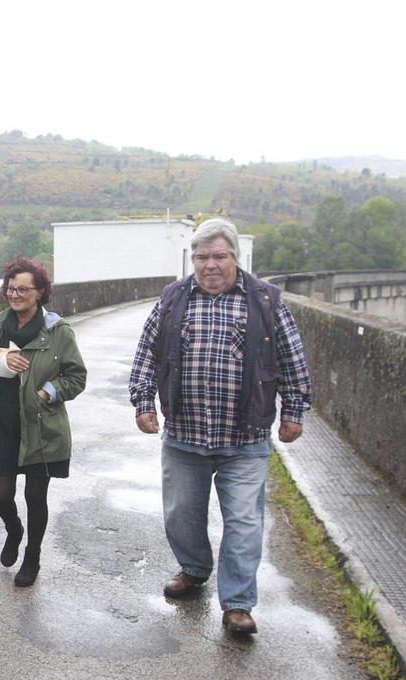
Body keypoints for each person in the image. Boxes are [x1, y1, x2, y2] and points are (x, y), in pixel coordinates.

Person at [129, 218, 312, 637]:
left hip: (244, 438)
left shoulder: (265, 301)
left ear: (235, 257)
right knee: (181, 515)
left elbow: (292, 360)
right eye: (202, 257)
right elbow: (146, 355)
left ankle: (237, 604)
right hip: (184, 437)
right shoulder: (174, 298)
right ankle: (193, 569)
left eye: (219, 256)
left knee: (245, 522)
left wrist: (294, 412)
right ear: (192, 259)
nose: (210, 265)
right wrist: (143, 402)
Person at [0, 257, 87, 587]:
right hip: (1, 421)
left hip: (42, 426)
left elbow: (76, 376)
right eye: (11, 288)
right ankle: (14, 529)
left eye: (23, 289)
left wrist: (48, 392)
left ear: (40, 293)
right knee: (1, 493)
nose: (15, 294)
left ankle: (33, 555)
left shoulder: (58, 330)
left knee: (36, 497)